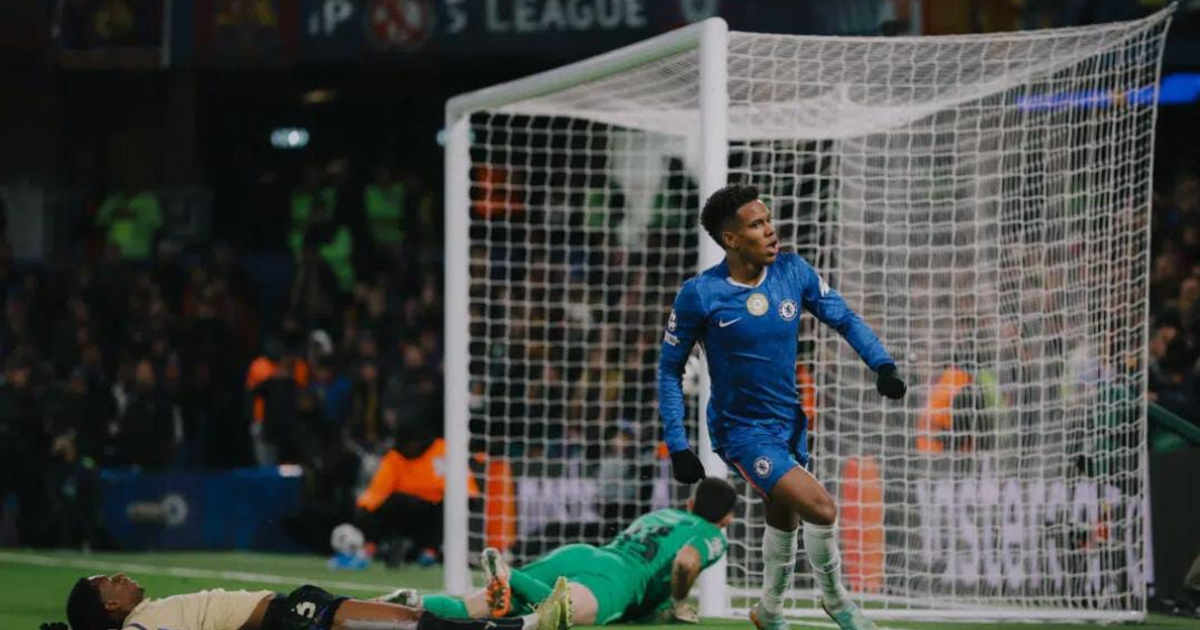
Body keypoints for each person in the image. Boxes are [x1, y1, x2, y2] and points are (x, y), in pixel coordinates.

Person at [657, 185, 907, 630]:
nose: (771, 231)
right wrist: (678, 444)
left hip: (789, 423)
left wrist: (882, 364)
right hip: (742, 432)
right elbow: (669, 370)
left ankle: (769, 612)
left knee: (784, 515)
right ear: (731, 239)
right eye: (757, 224)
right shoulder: (701, 294)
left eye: (768, 219)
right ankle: (839, 604)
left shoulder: (793, 271)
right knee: (822, 509)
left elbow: (844, 318)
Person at [388, 477, 737, 627]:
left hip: (583, 554)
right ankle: (511, 576)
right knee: (559, 614)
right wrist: (677, 601)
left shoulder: (664, 514)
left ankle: (410, 603)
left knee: (472, 607)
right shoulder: (712, 534)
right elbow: (686, 561)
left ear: (690, 502)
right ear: (727, 519)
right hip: (617, 579)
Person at [58, 572, 571, 630]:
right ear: (109, 606)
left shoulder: (148, 614)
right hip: (288, 619)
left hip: (288, 610)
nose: (121, 577)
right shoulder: (141, 628)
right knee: (405, 622)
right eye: (110, 582)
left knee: (402, 617)